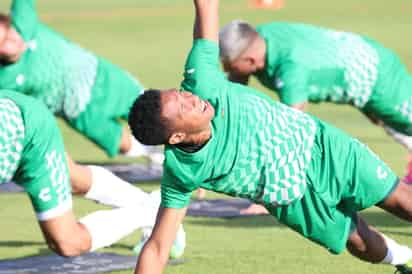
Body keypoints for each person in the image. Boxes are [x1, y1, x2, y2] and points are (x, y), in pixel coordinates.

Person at [129, 0, 412, 273]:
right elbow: (157, 247)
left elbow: (207, 5)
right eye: (182, 107)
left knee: (401, 201)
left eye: (181, 94)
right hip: (293, 198)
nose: (191, 98)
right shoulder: (181, 172)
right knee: (360, 243)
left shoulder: (202, 80)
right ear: (177, 137)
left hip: (322, 148)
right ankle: (406, 259)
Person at [219, 20, 412, 184]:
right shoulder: (262, 37)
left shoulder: (291, 68)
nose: (229, 73)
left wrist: (266, 193)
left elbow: (288, 132)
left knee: (405, 125)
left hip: (378, 76)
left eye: (231, 67)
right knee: (395, 127)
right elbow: (235, 94)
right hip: (365, 64)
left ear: (251, 60)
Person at [0, 89, 161, 256]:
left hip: (30, 134)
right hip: (15, 117)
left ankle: (150, 212)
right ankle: (147, 203)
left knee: (68, 241)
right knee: (73, 178)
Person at [0, 0, 161, 161]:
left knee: (153, 112)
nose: (11, 40)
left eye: (8, 31)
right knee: (123, 144)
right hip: (79, 111)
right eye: (3, 42)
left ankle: (182, 146)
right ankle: (159, 158)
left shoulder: (23, 20)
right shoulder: (5, 80)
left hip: (99, 75)